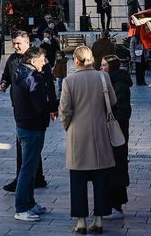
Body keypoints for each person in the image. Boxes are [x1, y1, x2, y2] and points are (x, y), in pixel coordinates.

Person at [59, 47, 118, 234]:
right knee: (101, 179)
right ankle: (99, 220)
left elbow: (64, 110)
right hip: (100, 132)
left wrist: (68, 126)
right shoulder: (103, 77)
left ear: (76, 60)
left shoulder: (69, 81)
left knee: (78, 180)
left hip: (78, 134)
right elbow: (113, 101)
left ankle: (81, 222)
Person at [0, 31, 49, 192]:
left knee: (28, 144)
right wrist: (4, 82)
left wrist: (52, 108)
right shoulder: (13, 59)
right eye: (14, 43)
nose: (15, 46)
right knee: (29, 144)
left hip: (33, 109)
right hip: (20, 107)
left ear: (27, 42)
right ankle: (36, 177)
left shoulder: (38, 57)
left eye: (18, 43)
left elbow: (49, 81)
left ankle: (25, 179)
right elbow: (7, 75)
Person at [11, 47, 54, 222]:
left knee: (30, 168)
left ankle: (29, 203)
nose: (44, 63)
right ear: (33, 60)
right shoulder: (33, 77)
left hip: (23, 124)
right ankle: (21, 208)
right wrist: (57, 104)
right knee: (28, 169)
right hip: (32, 126)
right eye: (42, 60)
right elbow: (40, 106)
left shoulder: (19, 72)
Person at [102, 55, 131, 220]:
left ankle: (116, 206)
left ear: (111, 67)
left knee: (117, 166)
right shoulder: (110, 81)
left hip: (116, 131)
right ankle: (112, 203)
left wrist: (115, 125)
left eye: (104, 65)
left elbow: (123, 109)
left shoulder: (118, 82)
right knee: (113, 167)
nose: (101, 68)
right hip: (113, 130)